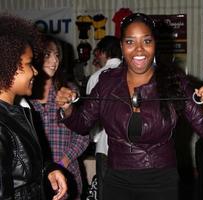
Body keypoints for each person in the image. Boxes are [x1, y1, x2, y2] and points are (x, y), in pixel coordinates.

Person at [56, 13, 203, 200]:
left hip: (161, 180)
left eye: (146, 41)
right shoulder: (107, 82)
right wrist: (67, 107)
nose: (139, 50)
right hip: (116, 178)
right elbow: (81, 124)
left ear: (155, 44)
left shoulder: (174, 82)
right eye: (130, 42)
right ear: (121, 46)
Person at [0, 13, 67, 199]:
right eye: (30, 64)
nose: (35, 71)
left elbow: (22, 168)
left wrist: (49, 170)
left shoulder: (17, 112)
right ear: (9, 66)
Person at [29, 35, 90, 200]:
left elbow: (83, 136)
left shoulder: (68, 90)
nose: (54, 60)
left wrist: (63, 161)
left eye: (57, 55)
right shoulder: (25, 93)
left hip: (67, 173)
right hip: (35, 177)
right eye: (48, 54)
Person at [85, 35, 122, 199]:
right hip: (133, 149)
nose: (96, 57)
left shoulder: (96, 77)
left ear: (104, 53)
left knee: (106, 193)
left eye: (98, 53)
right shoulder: (132, 73)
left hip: (104, 146)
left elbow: (90, 116)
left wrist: (96, 138)